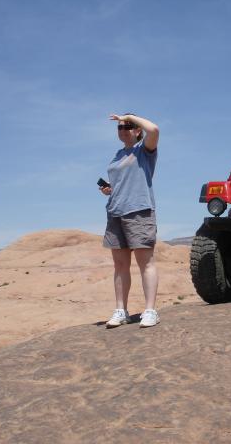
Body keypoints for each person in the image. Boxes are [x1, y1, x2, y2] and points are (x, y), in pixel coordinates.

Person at [99, 113, 160, 328]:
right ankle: (121, 310)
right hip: (116, 212)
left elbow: (154, 129)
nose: (123, 130)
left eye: (128, 126)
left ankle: (150, 310)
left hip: (138, 211)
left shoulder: (144, 150)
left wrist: (129, 116)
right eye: (120, 127)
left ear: (137, 130)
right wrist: (109, 190)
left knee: (145, 262)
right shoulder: (118, 155)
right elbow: (122, 182)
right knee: (120, 265)